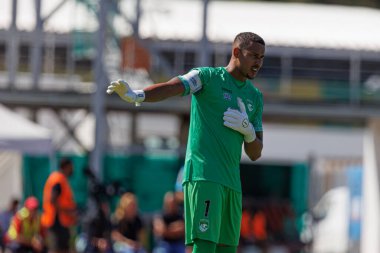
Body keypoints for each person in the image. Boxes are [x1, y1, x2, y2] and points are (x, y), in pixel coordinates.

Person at [107, 32, 265, 253]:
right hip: (204, 177)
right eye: (253, 55)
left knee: (227, 249)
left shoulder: (255, 97)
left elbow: (256, 152)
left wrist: (248, 131)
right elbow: (173, 86)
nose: (258, 62)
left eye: (262, 57)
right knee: (204, 248)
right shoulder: (207, 77)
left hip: (232, 184)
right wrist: (138, 95)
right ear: (237, 52)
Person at [41, 158, 77, 253]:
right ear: (66, 167)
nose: (72, 170)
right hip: (56, 220)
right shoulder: (58, 179)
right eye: (71, 167)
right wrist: (68, 212)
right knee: (56, 249)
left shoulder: (61, 179)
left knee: (64, 248)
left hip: (61, 221)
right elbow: (53, 200)